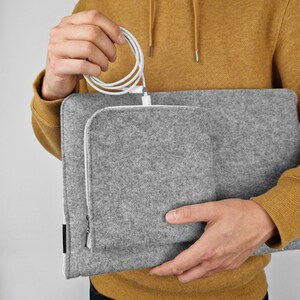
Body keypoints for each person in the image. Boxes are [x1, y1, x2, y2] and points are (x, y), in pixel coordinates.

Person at [30, 0, 300, 299]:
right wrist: (55, 90)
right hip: (112, 288)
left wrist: (269, 215)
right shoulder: (96, 6)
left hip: (236, 291)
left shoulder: (281, 7)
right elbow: (78, 158)